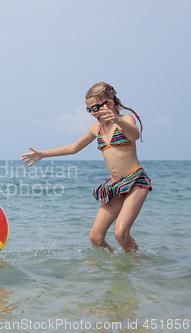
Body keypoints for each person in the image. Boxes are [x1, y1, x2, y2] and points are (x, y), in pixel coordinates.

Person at [21, 82, 152, 252]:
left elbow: (135, 135)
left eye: (95, 107)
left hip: (135, 181)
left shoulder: (125, 120)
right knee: (95, 237)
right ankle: (112, 270)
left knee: (121, 234)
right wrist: (42, 154)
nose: (92, 113)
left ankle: (137, 263)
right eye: (89, 109)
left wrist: (117, 120)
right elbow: (73, 148)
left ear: (110, 104)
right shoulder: (96, 129)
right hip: (115, 185)